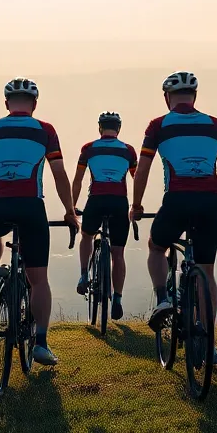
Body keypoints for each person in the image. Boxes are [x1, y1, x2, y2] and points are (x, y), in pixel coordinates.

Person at [0, 78, 80, 366]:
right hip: (31, 207)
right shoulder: (45, 131)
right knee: (39, 280)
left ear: (6, 104)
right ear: (34, 105)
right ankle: (40, 342)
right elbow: (59, 175)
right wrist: (69, 211)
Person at [131, 71, 217, 364]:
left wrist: (137, 205)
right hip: (208, 203)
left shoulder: (158, 125)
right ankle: (210, 343)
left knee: (156, 246)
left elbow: (141, 171)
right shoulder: (215, 125)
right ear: (195, 97)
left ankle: (163, 298)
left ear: (167, 98)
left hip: (177, 201)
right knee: (206, 270)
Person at [72, 111, 138, 320]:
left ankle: (84, 275)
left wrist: (71, 207)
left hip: (96, 200)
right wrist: (135, 205)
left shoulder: (88, 149)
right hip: (119, 202)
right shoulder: (129, 151)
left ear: (100, 128)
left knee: (87, 235)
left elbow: (78, 180)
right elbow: (138, 179)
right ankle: (117, 298)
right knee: (118, 254)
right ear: (118, 129)